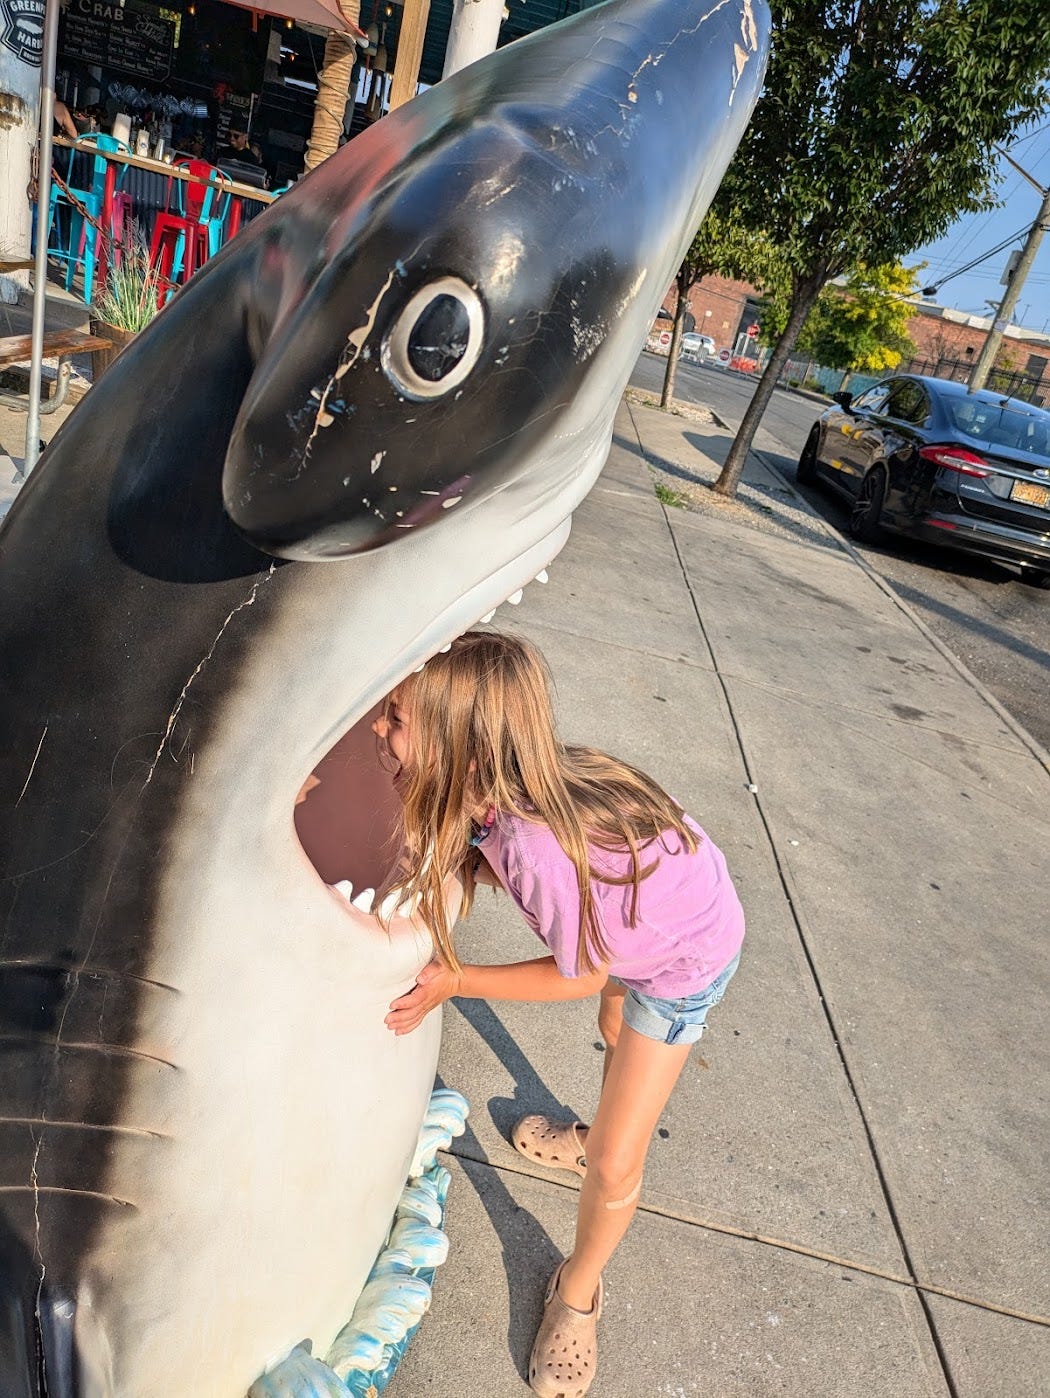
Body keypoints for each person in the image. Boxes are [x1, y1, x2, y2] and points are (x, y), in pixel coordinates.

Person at [372, 631, 745, 1398]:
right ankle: (587, 1131)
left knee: (616, 1162)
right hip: (642, 919)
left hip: (681, 962)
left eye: (397, 718)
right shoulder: (508, 789)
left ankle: (577, 1295)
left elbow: (579, 976)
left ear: (462, 752)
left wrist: (457, 979)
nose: (380, 728)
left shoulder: (537, 849)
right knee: (614, 1034)